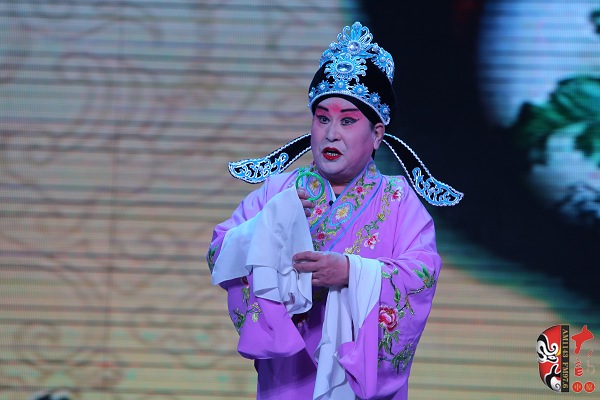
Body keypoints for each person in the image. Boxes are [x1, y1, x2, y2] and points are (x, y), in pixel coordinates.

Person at [206, 21, 462, 400]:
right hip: (287, 378)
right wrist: (268, 227)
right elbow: (219, 251)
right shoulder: (279, 192)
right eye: (322, 117)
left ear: (377, 135)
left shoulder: (399, 200)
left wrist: (350, 273)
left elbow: (421, 275)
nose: (331, 133)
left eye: (348, 121)